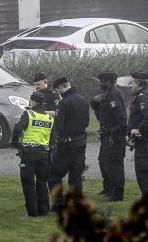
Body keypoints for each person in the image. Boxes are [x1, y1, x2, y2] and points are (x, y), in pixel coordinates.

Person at [48, 76, 90, 210]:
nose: (58, 93)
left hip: (66, 144)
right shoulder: (83, 100)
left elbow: (60, 126)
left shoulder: (64, 103)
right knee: (76, 175)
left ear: (61, 87)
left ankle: (58, 203)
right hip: (80, 141)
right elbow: (87, 122)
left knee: (54, 174)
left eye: (58, 90)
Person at [11, 91, 55, 217]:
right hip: (44, 154)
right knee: (42, 182)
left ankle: (32, 211)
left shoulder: (28, 114)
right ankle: (44, 210)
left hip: (29, 154)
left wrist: (16, 143)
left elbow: (18, 128)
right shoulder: (50, 118)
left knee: (28, 182)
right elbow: (53, 139)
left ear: (33, 102)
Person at [91, 70, 127, 201]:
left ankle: (117, 193)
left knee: (115, 165)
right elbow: (99, 111)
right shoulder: (107, 94)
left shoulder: (114, 95)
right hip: (106, 135)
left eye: (103, 81)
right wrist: (94, 101)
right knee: (104, 162)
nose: (100, 83)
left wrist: (117, 134)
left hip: (113, 136)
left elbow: (121, 119)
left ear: (110, 82)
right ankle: (108, 188)